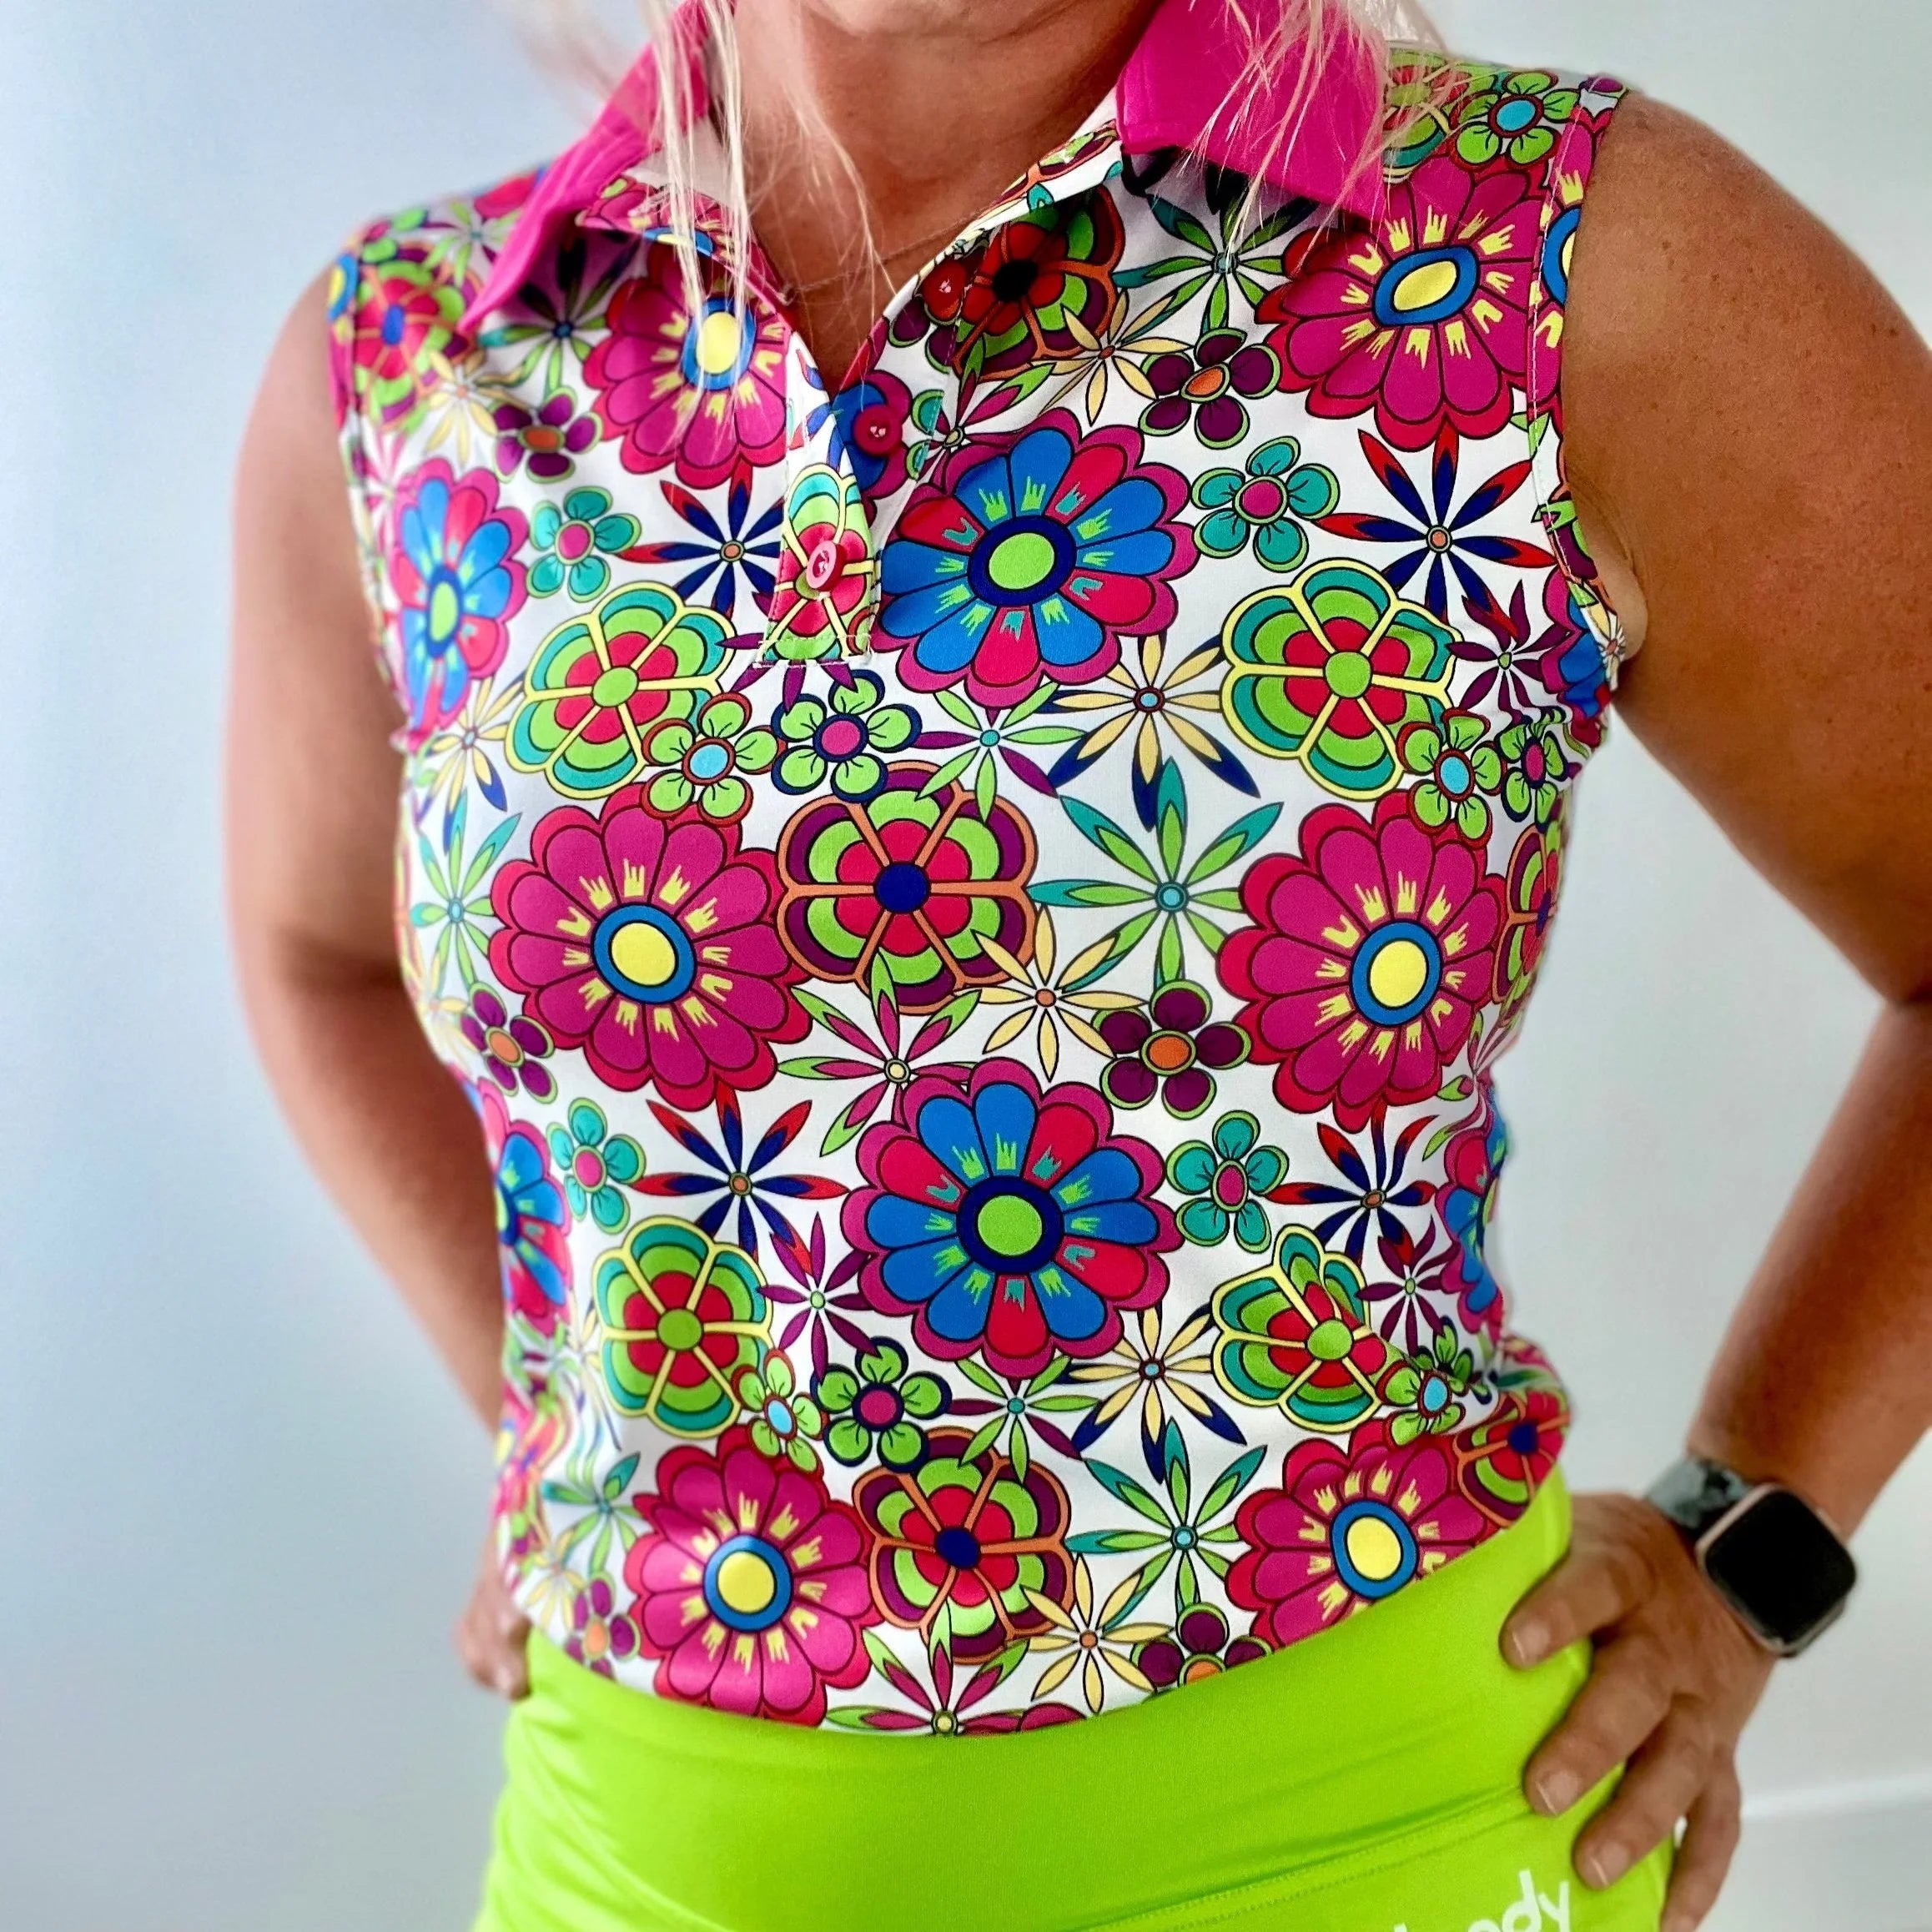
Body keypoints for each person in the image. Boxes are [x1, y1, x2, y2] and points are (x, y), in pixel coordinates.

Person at [225, 1, 1932, 1927]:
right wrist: (547, 1420)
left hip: (1377, 1838)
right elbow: (316, 954)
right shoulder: (414, 359)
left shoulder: (1554, 256)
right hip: (635, 1863)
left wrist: (1753, 1540)